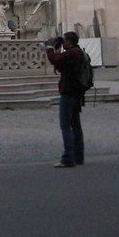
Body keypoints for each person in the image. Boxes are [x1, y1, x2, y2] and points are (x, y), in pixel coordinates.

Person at [46, 31, 86, 168]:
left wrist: (49, 48)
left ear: (69, 41)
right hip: (76, 92)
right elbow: (62, 65)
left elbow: (55, 60)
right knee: (75, 125)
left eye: (64, 40)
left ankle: (68, 158)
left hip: (68, 92)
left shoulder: (72, 53)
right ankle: (78, 156)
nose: (63, 41)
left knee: (65, 125)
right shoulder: (78, 52)